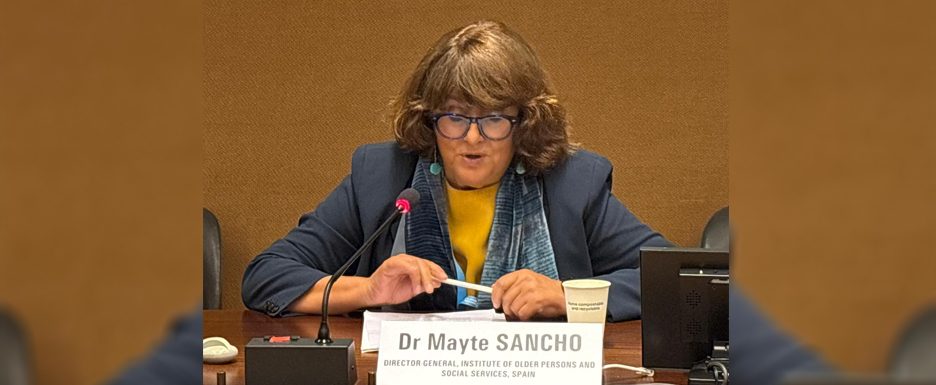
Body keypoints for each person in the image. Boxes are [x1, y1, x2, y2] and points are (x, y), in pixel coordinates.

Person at [241, 20, 671, 322]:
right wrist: (368, 290)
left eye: (494, 118)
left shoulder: (571, 183)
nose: (471, 138)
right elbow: (267, 276)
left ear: (526, 122)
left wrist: (568, 296)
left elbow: (675, 279)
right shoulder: (381, 178)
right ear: (428, 120)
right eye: (455, 117)